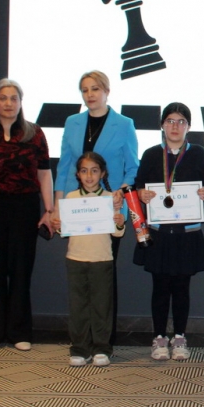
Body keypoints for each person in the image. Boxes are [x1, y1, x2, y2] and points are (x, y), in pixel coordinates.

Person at [0, 79, 54, 351]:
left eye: (14, 98)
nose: (8, 103)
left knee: (21, 271)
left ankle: (19, 332)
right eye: (3, 98)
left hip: (24, 208)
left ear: (20, 102)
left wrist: (48, 210)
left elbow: (44, 174)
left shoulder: (34, 133)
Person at [54, 70, 139, 347]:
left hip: (109, 208)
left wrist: (121, 191)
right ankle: (81, 339)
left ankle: (104, 340)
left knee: (104, 276)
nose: (90, 95)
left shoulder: (124, 124)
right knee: (79, 274)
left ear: (107, 91)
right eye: (85, 90)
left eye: (95, 89)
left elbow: (133, 168)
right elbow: (64, 167)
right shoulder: (72, 122)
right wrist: (57, 206)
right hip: (75, 208)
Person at [134, 103, 204, 362]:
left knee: (181, 288)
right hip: (159, 233)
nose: (175, 126)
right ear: (162, 125)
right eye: (170, 121)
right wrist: (141, 194)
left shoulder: (198, 153)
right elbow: (138, 186)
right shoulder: (151, 154)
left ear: (188, 126)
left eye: (181, 121)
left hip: (186, 234)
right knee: (159, 287)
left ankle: (179, 337)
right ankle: (158, 337)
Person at [57, 152, 125, 367]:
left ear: (102, 173)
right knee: (78, 306)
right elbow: (65, 230)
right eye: (84, 171)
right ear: (78, 174)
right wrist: (60, 225)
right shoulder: (70, 198)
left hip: (101, 259)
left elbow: (117, 233)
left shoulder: (110, 198)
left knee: (101, 306)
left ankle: (102, 348)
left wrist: (119, 221)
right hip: (75, 258)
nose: (89, 176)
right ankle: (79, 348)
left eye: (94, 171)